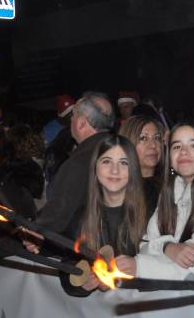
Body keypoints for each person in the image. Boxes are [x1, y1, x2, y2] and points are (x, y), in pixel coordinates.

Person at [118, 120, 194, 280]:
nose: (183, 152)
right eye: (176, 146)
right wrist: (168, 247)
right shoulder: (173, 187)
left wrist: (140, 267)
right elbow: (145, 243)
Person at [59, 134, 148, 296]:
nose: (115, 170)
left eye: (123, 163)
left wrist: (139, 268)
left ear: (133, 169)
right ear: (95, 168)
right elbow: (67, 265)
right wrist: (81, 283)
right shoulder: (81, 216)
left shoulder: (151, 213)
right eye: (106, 161)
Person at [35, 92, 116, 234]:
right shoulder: (120, 152)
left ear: (81, 122)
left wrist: (34, 231)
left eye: (73, 116)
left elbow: (57, 215)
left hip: (84, 247)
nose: (71, 121)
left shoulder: (80, 161)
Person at [119, 115, 166, 216]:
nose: (153, 145)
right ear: (128, 143)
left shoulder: (171, 185)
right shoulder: (117, 188)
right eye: (143, 138)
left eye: (157, 138)